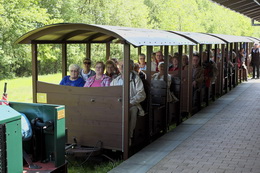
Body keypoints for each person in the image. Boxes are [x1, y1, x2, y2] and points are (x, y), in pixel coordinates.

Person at [110, 60, 146, 146]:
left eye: (124, 65)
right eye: (120, 66)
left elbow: (142, 94)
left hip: (131, 104)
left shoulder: (135, 78)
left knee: (132, 111)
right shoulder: (116, 80)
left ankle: (128, 137)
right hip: (117, 105)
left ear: (130, 67)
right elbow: (109, 92)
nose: (122, 68)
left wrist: (130, 102)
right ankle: (112, 137)